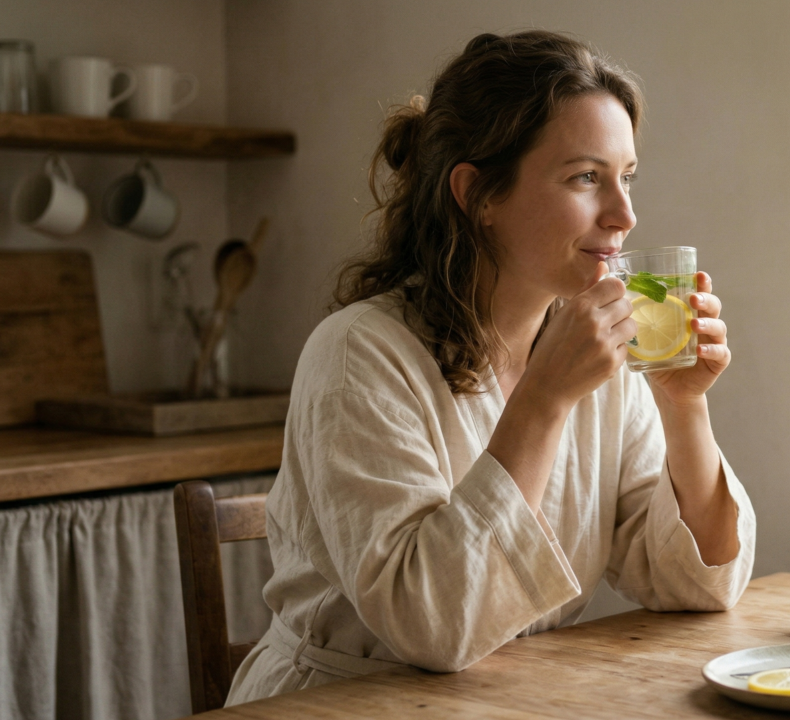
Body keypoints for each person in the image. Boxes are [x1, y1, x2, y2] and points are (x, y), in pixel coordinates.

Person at [225, 29, 755, 704]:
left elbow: (699, 585)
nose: (625, 213)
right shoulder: (359, 355)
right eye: (586, 177)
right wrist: (544, 399)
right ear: (478, 195)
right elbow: (431, 627)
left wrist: (684, 403)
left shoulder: (596, 358)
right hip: (340, 705)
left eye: (626, 177)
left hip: (511, 698)